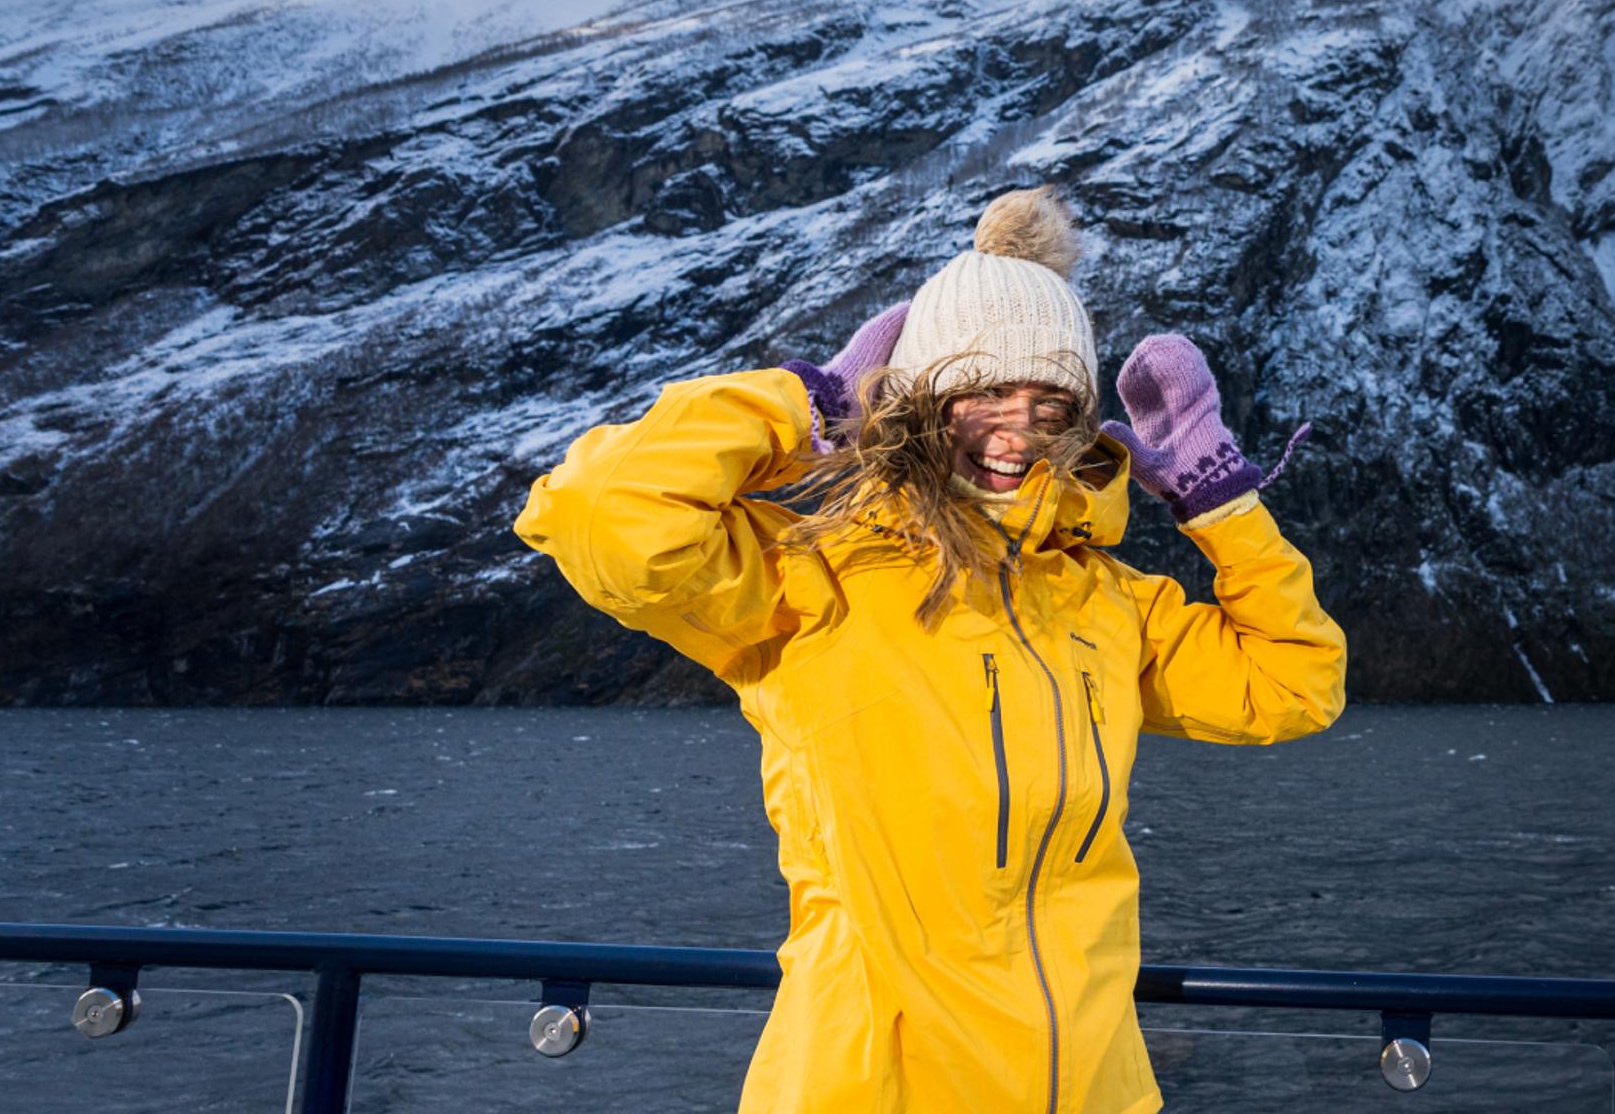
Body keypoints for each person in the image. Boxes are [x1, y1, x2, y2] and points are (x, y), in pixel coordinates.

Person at [513, 185, 1347, 1114]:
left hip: (1093, 1091)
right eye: (984, 390)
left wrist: (1218, 503)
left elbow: (1294, 682)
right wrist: (809, 405)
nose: (1017, 429)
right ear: (920, 401)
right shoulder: (815, 582)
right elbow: (600, 512)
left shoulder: (1103, 602)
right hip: (872, 1088)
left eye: (1050, 401)